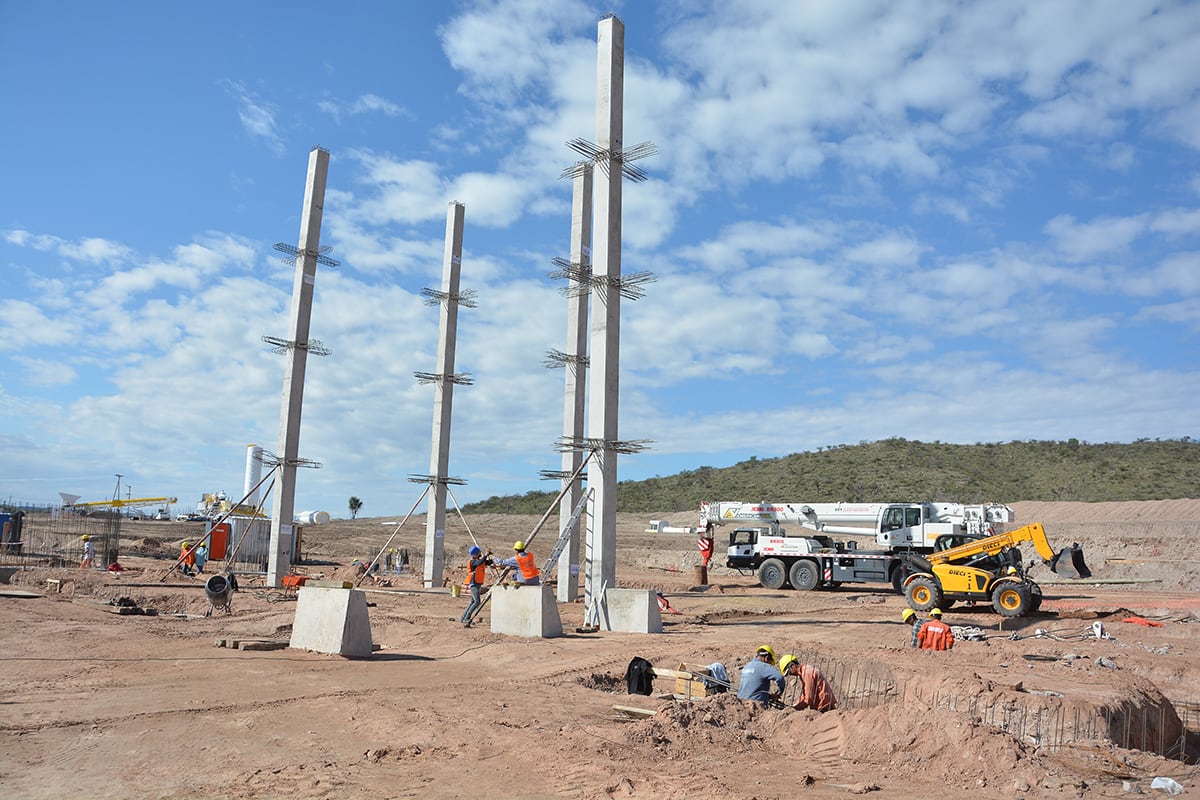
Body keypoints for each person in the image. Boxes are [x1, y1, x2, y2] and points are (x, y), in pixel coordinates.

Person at [459, 545, 493, 627]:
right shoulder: (472, 561)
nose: (480, 554)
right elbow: (479, 563)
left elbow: (487, 562)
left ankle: (464, 617)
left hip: (478, 583)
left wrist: (491, 558)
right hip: (473, 583)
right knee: (477, 602)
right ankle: (467, 617)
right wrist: (485, 555)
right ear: (475, 554)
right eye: (479, 553)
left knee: (473, 602)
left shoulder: (480, 560)